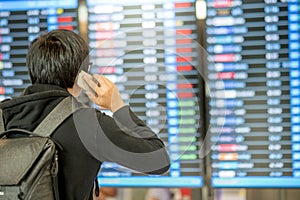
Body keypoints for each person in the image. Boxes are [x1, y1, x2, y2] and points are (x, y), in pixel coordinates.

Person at [0, 29, 170, 200]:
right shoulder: (87, 124)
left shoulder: (2, 116)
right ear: (81, 74)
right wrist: (116, 105)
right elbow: (158, 160)